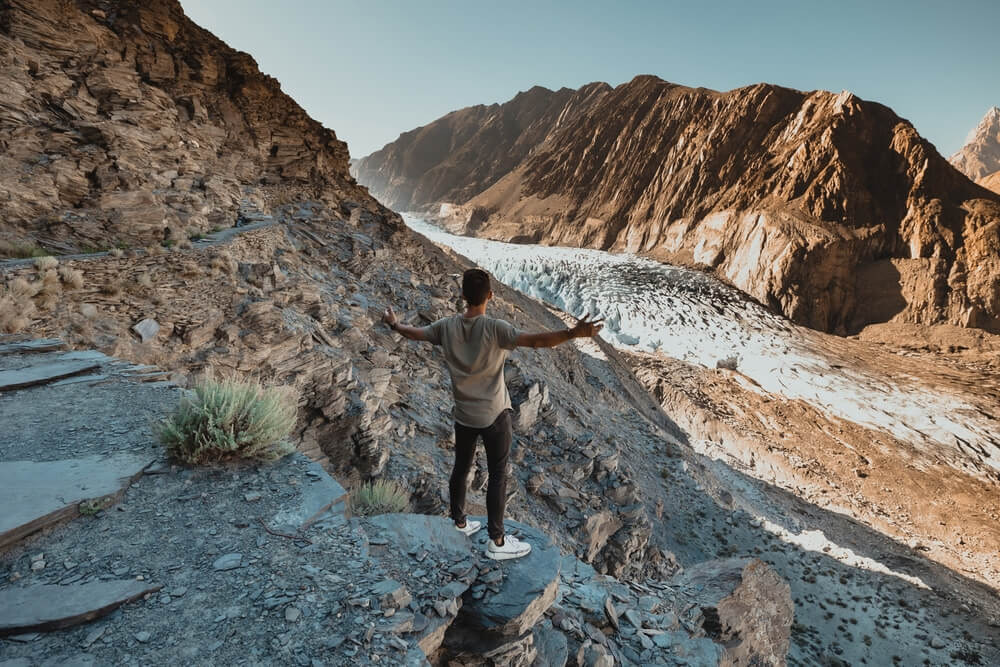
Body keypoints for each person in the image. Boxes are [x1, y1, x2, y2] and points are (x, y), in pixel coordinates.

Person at [383, 268, 603, 560]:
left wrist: (396, 325)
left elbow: (417, 334)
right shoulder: (495, 328)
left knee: (461, 468)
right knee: (498, 474)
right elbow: (536, 342)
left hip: (464, 414)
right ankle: (497, 542)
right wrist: (573, 333)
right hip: (494, 415)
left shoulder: (446, 327)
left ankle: (459, 522)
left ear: (462, 296)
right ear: (490, 295)